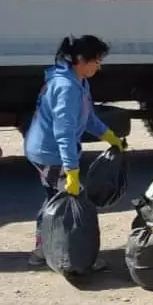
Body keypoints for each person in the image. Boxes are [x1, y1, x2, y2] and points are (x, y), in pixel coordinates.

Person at [24, 35, 126, 268]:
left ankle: (43, 249)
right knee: (75, 201)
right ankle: (75, 255)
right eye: (97, 61)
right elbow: (64, 134)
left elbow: (88, 117)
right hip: (49, 153)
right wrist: (71, 170)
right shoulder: (66, 87)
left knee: (54, 199)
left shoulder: (78, 81)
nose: (99, 66)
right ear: (81, 59)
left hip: (44, 150)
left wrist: (108, 135)